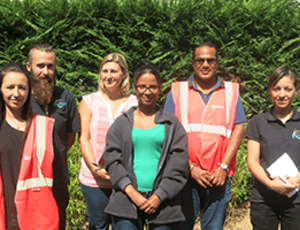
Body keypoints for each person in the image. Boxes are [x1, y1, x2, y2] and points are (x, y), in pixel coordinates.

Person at [164, 42, 246, 230]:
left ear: (217, 63)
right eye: (200, 60)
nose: (205, 64)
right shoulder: (177, 91)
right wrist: (190, 167)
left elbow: (239, 128)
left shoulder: (231, 92)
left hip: (218, 177)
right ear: (193, 63)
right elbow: (168, 133)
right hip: (185, 177)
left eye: (210, 60)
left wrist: (223, 167)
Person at [104, 62, 189, 230]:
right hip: (126, 201)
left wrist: (160, 195)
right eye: (142, 86)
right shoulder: (121, 124)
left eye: (153, 87)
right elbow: (113, 160)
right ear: (135, 88)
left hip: (163, 203)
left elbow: (178, 164)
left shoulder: (172, 124)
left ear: (159, 89)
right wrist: (131, 192)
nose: (147, 92)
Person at [78, 53, 138, 230]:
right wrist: (95, 169)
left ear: (124, 74)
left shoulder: (135, 103)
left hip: (126, 180)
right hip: (94, 180)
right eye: (105, 71)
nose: (109, 76)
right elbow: (84, 138)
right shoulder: (89, 101)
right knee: (98, 225)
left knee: (125, 226)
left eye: (114, 71)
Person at [26, 44, 81, 230]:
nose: (45, 71)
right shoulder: (19, 98)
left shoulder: (66, 97)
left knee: (57, 225)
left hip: (57, 181)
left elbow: (70, 137)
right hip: (27, 183)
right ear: (29, 67)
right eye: (40, 66)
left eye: (50, 66)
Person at [0, 62, 59, 229]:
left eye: (22, 88)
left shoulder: (44, 127)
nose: (16, 94)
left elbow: (58, 175)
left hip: (35, 216)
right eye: (9, 87)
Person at [245, 66, 300, 230]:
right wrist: (270, 184)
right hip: (264, 200)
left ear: (296, 90)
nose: (282, 94)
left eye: (287, 89)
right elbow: (253, 161)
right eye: (276, 88)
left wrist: (296, 181)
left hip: (297, 200)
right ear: (270, 89)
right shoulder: (258, 122)